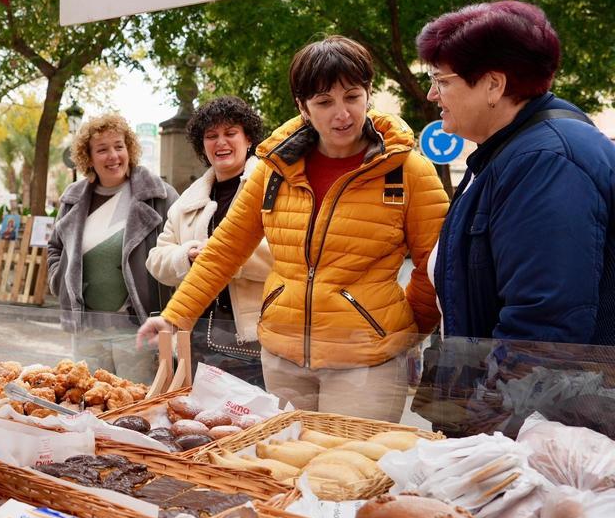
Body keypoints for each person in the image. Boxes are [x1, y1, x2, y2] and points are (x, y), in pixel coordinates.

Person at [138, 36, 448, 422]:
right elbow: (224, 250)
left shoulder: (409, 171)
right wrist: (175, 316)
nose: (342, 114)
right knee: (285, 470)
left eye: (352, 96)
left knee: (349, 475)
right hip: (282, 359)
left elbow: (437, 265)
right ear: (302, 107)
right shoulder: (272, 171)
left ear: (368, 94)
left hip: (367, 363)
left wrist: (402, 329)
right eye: (324, 102)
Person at [418, 0, 615, 345]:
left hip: (531, 398)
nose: (432, 93)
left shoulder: (545, 163)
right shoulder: (506, 151)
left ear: (494, 84)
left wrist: (484, 400)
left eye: (441, 79)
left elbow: (541, 331)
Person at [146, 96, 273, 384]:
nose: (221, 142)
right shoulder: (188, 200)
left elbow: (287, 254)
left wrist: (225, 257)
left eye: (230, 133)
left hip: (254, 339)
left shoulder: (272, 188)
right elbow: (156, 259)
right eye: (211, 136)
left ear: (248, 138)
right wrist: (186, 255)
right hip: (197, 337)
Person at [48, 113, 178, 384]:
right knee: (90, 402)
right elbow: (55, 248)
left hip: (138, 328)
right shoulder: (72, 200)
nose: (113, 156)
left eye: (119, 146)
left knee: (137, 407)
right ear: (88, 156)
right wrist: (57, 280)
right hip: (87, 331)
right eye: (102, 149)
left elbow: (179, 244)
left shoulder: (159, 196)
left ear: (129, 149)